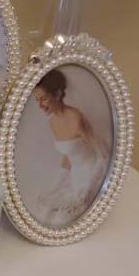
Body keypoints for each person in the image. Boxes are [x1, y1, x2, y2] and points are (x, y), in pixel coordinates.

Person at [32, 69, 109, 227]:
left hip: (93, 173)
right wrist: (56, 184)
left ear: (58, 94)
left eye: (43, 99)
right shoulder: (53, 123)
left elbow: (102, 155)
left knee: (68, 217)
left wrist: (89, 186)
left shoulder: (76, 118)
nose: (40, 105)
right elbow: (69, 156)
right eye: (37, 100)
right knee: (47, 208)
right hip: (75, 175)